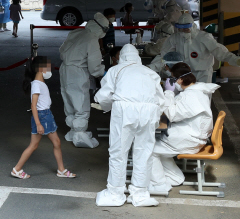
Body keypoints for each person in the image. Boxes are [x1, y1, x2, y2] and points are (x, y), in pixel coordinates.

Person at [94, 44, 165, 207]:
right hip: (149, 109)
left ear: (122, 57)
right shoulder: (150, 72)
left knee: (118, 151)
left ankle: (115, 193)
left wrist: (104, 106)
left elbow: (104, 95)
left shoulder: (116, 70)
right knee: (144, 152)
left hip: (125, 109)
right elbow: (160, 99)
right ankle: (140, 194)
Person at [149, 63, 220, 192]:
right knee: (158, 147)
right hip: (194, 135)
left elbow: (171, 114)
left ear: (180, 79)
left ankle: (158, 184)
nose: (172, 82)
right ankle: (174, 178)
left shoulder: (191, 96)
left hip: (191, 139)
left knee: (149, 149)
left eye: (173, 79)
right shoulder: (197, 91)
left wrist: (168, 93)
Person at [11, 56, 76, 179]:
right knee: (39, 144)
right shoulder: (36, 84)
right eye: (47, 66)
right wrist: (39, 123)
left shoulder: (39, 83)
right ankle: (17, 169)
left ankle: (61, 170)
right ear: (40, 68)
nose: (49, 69)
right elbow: (33, 105)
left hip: (46, 115)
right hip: (43, 116)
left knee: (51, 143)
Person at [59, 12, 108, 148]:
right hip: (77, 72)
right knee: (81, 103)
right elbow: (94, 66)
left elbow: (62, 50)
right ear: (101, 29)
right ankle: (80, 135)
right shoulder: (92, 39)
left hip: (65, 69)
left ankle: (73, 131)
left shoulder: (76, 32)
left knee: (68, 100)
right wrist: (103, 72)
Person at [156, 13, 240, 83]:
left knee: (202, 101)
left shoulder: (204, 37)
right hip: (183, 74)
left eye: (186, 28)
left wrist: (236, 60)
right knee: (184, 101)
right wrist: (153, 67)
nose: (183, 31)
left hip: (203, 74)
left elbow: (219, 51)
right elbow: (165, 56)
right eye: (180, 28)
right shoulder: (175, 38)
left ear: (192, 26)